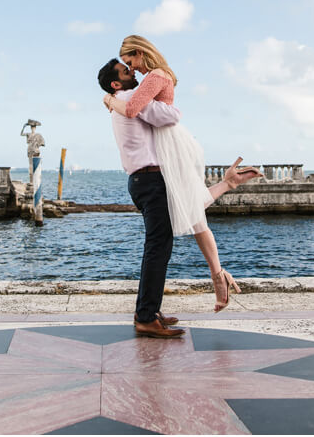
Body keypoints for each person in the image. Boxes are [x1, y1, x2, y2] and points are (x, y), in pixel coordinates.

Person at [98, 58, 261, 338]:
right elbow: (170, 115)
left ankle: (147, 311)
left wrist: (225, 184)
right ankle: (146, 317)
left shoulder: (121, 100)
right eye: (127, 71)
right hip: (150, 179)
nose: (133, 71)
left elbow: (192, 207)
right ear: (117, 84)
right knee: (157, 249)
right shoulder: (127, 98)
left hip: (144, 180)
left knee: (161, 244)